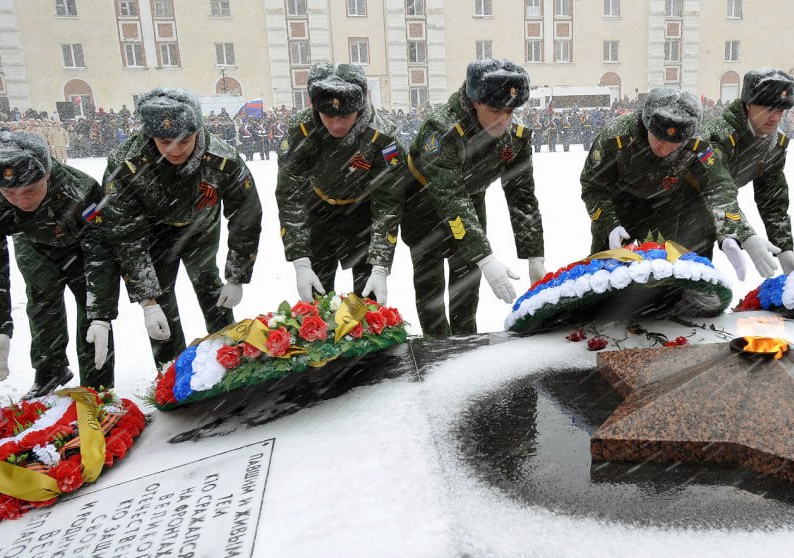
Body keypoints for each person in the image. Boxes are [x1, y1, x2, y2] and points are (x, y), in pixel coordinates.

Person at [103, 87, 263, 366]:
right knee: (161, 303)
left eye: (184, 140)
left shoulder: (222, 159)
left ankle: (229, 355)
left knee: (210, 286)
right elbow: (124, 234)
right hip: (154, 232)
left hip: (200, 226)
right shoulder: (126, 164)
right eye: (164, 142)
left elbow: (246, 216)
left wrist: (237, 275)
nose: (174, 150)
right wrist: (147, 302)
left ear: (197, 130)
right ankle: (170, 370)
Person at [0, 131, 119, 398]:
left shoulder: (80, 189)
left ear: (46, 174)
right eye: (10, 192)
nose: (22, 200)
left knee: (90, 313)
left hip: (81, 249)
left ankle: (97, 381)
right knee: (42, 302)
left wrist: (101, 314)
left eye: (31, 190)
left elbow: (101, 251)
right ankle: (50, 369)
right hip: (34, 245)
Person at [403, 58, 544, 337]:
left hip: (470, 198)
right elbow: (449, 194)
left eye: (510, 111)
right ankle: (437, 347)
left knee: (467, 281)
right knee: (430, 283)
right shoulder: (441, 130)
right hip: (423, 204)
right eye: (495, 110)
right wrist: (485, 256)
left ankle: (466, 344)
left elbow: (522, 195)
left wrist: (534, 254)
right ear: (475, 101)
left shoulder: (514, 137)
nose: (504, 120)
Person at [581, 87, 765, 283]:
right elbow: (593, 187)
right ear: (647, 124)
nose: (664, 148)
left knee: (659, 268)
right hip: (618, 204)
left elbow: (718, 185)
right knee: (602, 273)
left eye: (674, 143)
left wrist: (728, 231)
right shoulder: (615, 137)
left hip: (663, 205)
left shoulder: (698, 145)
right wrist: (610, 226)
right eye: (659, 138)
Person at [276, 63, 406, 302]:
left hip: (363, 215)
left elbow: (388, 202)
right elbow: (289, 194)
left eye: (345, 116)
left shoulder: (382, 137)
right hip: (317, 210)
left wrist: (379, 264)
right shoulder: (300, 133)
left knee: (368, 303)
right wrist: (301, 261)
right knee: (317, 303)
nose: (336, 125)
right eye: (328, 116)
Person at [700, 67, 794, 275]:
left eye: (780, 111)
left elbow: (773, 199)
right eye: (768, 109)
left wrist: (784, 248)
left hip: (716, 212)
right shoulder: (718, 136)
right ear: (748, 105)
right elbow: (716, 188)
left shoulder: (774, 144)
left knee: (698, 282)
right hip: (679, 206)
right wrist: (746, 235)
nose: (775, 118)